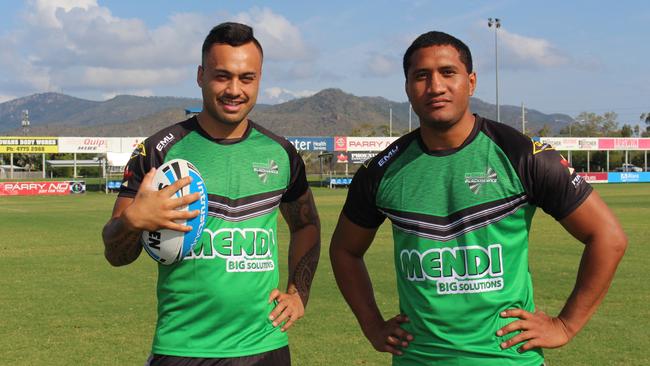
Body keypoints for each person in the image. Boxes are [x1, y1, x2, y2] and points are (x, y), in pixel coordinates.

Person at [329, 31, 627, 365]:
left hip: (507, 358)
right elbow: (344, 250)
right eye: (421, 76)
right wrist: (371, 325)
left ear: (471, 82)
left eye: (448, 72)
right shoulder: (382, 171)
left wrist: (566, 325)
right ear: (408, 88)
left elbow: (608, 237)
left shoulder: (521, 155)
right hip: (419, 359)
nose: (436, 86)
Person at [102, 22, 320, 366]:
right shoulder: (159, 152)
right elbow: (115, 254)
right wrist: (132, 222)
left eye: (247, 78)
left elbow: (307, 225)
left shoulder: (281, 153)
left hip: (265, 347)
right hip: (183, 349)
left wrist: (298, 293)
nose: (235, 89)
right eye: (222, 76)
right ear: (201, 75)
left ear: (259, 79)